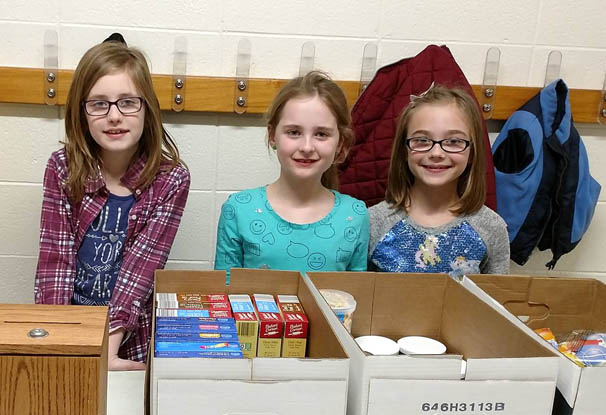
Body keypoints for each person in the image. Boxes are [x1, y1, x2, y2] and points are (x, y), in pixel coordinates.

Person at [34, 39, 190, 371]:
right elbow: (55, 262)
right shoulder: (62, 167)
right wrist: (61, 345)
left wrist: (108, 355)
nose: (114, 116)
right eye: (99, 104)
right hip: (68, 329)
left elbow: (140, 270)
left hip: (131, 339)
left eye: (128, 103)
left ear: (147, 109)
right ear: (81, 111)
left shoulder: (171, 179)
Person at [214, 71, 368, 273]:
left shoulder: (355, 214)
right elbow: (223, 294)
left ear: (340, 143)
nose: (306, 146)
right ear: (272, 136)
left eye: (321, 134)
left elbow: (355, 295)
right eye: (294, 132)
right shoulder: (239, 209)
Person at [368, 84, 509, 275]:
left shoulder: (491, 227)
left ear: (472, 152)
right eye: (422, 140)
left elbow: (495, 300)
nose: (436, 153)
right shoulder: (372, 223)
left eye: (453, 141)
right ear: (404, 150)